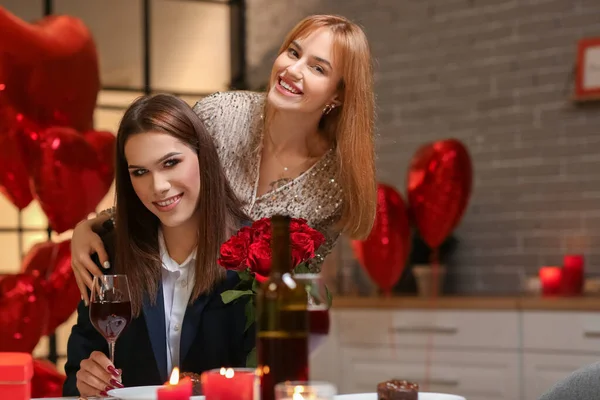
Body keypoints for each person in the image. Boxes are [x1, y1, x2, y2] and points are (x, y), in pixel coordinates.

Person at [70, 14, 377, 304]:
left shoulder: (335, 184)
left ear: (337, 95)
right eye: (293, 53)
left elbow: (299, 282)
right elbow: (162, 183)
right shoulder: (221, 113)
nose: (293, 70)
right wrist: (91, 227)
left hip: (249, 330)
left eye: (318, 68)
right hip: (174, 297)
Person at [63, 94, 253, 397]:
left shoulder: (254, 256)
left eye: (171, 163)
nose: (158, 186)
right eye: (140, 172)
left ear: (203, 156)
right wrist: (86, 382)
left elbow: (273, 378)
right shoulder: (107, 254)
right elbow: (76, 375)